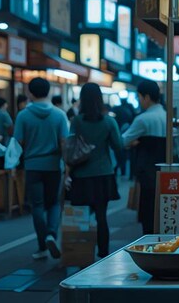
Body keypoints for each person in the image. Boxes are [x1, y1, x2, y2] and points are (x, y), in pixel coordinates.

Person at [14, 78, 69, 260]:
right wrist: (67, 165)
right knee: (54, 203)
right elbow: (64, 143)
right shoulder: (59, 115)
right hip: (54, 165)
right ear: (49, 92)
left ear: (30, 93)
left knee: (37, 205)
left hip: (32, 165)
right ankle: (52, 234)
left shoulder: (23, 115)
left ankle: (42, 245)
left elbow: (19, 142)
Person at [67, 83, 122, 258]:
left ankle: (80, 253)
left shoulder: (76, 121)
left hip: (81, 175)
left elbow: (71, 146)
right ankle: (103, 253)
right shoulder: (109, 121)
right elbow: (118, 146)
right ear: (100, 99)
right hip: (103, 174)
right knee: (101, 216)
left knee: (81, 216)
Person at [122, 81, 167, 233]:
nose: (140, 101)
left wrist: (135, 142)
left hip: (147, 172)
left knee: (148, 211)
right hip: (167, 172)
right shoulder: (167, 116)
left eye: (139, 97)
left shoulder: (143, 119)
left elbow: (124, 140)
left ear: (147, 97)